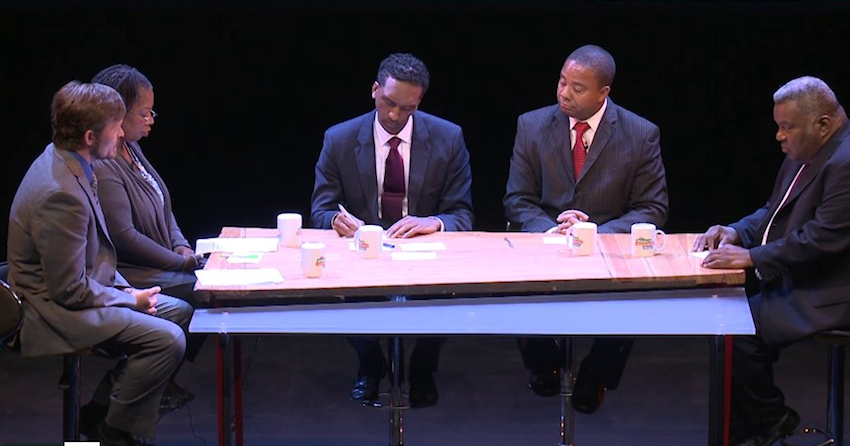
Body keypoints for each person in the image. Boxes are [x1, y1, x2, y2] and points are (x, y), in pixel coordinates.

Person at [7, 81, 192, 446]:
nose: (122, 133)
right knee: (167, 338)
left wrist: (127, 289)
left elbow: (98, 256)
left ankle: (103, 412)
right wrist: (130, 299)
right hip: (48, 308)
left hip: (80, 288)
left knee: (179, 310)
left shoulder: (72, 161)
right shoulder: (62, 193)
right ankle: (116, 432)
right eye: (115, 126)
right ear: (91, 136)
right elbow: (68, 289)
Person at [503, 44, 668, 414]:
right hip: (546, 243)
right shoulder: (531, 125)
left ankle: (597, 371)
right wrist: (551, 232)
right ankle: (546, 365)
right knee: (513, 290)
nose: (564, 93)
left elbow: (653, 208)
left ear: (603, 93)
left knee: (632, 295)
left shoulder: (641, 134)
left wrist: (594, 232)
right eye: (562, 82)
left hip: (609, 248)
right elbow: (517, 199)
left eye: (577, 88)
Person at [310, 53, 474, 408]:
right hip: (361, 251)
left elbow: (462, 213)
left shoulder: (448, 139)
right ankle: (370, 365)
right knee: (346, 294)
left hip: (421, 251)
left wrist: (435, 222)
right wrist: (337, 222)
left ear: (419, 102)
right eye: (388, 103)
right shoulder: (339, 139)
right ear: (374, 91)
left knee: (447, 293)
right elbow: (321, 209)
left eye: (407, 108)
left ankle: (422, 368)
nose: (395, 115)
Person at [694, 76, 850, 446]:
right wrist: (736, 232)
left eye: (787, 127)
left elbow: (820, 238)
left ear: (823, 124)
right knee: (726, 327)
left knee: (737, 333)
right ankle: (756, 426)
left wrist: (750, 257)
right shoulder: (809, 152)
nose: (779, 136)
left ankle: (766, 422)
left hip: (835, 291)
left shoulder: (845, 164)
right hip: (807, 280)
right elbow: (774, 210)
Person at [91, 64, 202, 410]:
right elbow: (124, 236)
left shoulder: (133, 149)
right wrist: (179, 261)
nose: (151, 118)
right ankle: (126, 391)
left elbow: (163, 205)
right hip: (130, 271)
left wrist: (181, 244)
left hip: (159, 263)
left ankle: (151, 380)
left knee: (201, 285)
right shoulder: (105, 163)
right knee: (199, 292)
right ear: (118, 113)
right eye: (144, 112)